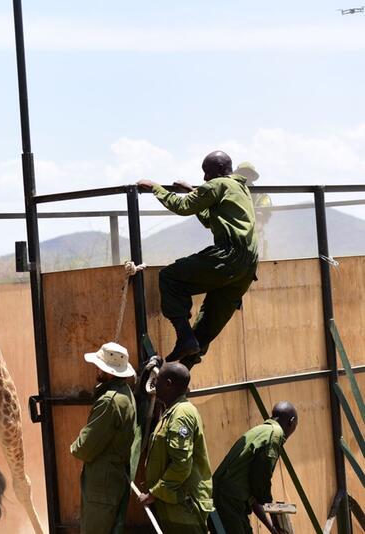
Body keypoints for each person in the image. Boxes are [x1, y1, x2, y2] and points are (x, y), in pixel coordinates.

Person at [137, 151, 259, 369]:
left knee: (170, 277)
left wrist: (156, 188)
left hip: (229, 256)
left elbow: (182, 206)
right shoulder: (240, 188)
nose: (204, 179)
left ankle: (184, 337)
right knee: (207, 325)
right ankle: (183, 371)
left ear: (219, 170)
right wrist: (195, 192)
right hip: (247, 267)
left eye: (207, 173)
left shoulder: (216, 185)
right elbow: (210, 220)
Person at [70, 342, 139, 534]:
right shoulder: (125, 394)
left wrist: (74, 446)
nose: (96, 369)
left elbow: (84, 447)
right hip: (112, 481)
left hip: (102, 486)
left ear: (108, 371)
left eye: (99, 365)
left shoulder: (110, 401)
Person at [138, 363, 213, 533]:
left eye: (158, 380)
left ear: (169, 384)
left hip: (183, 507)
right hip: (175, 505)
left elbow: (181, 465)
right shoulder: (172, 412)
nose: (154, 384)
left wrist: (154, 493)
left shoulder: (181, 415)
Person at [211, 401, 299, 534]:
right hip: (229, 501)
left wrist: (272, 527)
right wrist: (274, 515)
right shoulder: (275, 434)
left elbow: (255, 494)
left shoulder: (260, 430)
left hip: (221, 498)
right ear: (291, 422)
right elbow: (261, 482)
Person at [236, 162, 272, 258]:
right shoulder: (232, 193)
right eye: (242, 173)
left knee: (259, 262)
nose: (244, 176)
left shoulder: (261, 195)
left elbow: (264, 212)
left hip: (256, 236)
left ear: (252, 176)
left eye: (247, 173)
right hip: (235, 238)